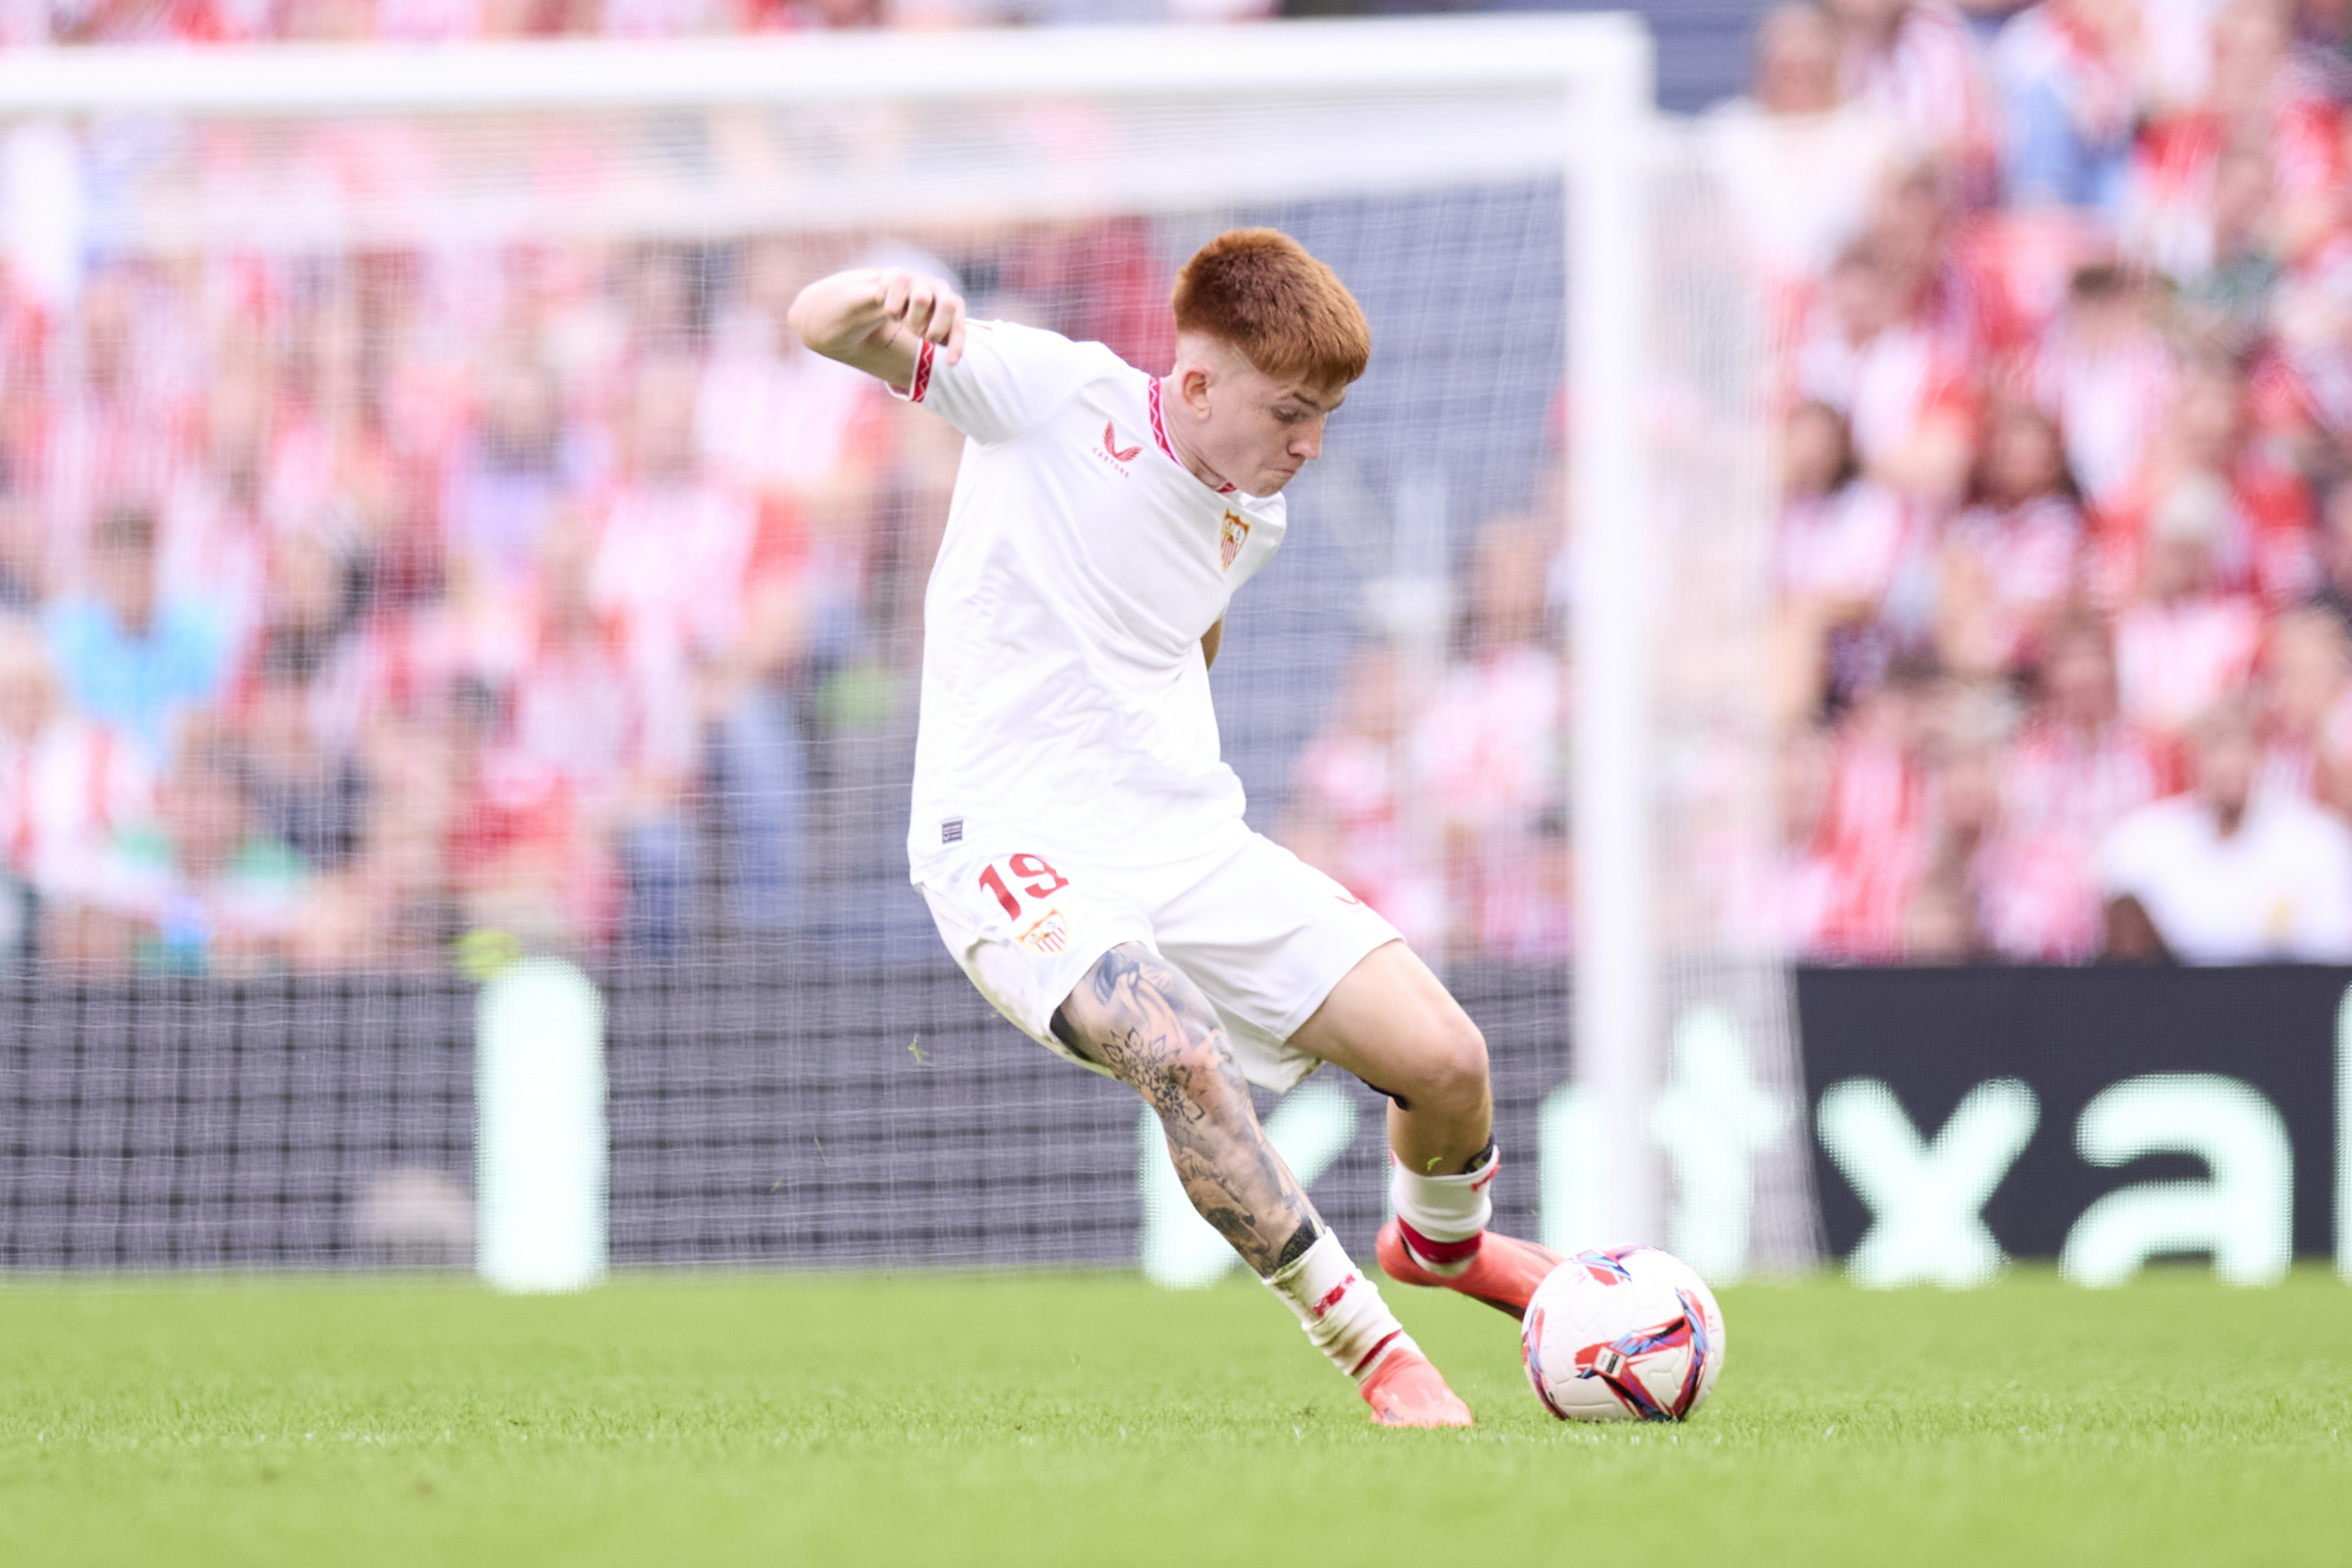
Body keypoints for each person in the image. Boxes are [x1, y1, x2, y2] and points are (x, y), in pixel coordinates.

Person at [787, 230, 1554, 1428]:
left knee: (1449, 1064)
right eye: (1291, 411)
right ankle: (1373, 1352)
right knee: (1181, 1050)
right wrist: (891, 292)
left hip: (1188, 844)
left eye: (1328, 418)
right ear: (1196, 386)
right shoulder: (1052, 393)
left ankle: (1442, 1246)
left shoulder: (1256, 517)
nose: (1308, 444)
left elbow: (1180, 632)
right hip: (1004, 842)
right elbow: (818, 321)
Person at [2098, 695, 2352, 960]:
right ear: (2192, 760)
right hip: (2177, 996)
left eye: (2238, 746)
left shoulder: (2320, 843)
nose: (2226, 763)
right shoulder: (2140, 843)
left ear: (2261, 755)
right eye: (2213, 748)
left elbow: (2332, 954)